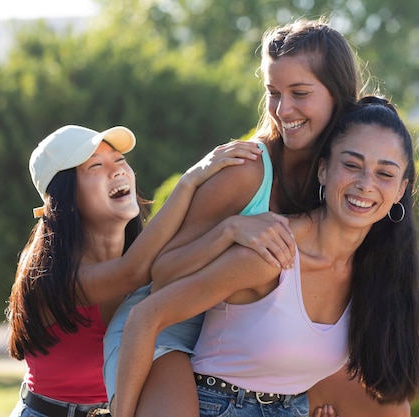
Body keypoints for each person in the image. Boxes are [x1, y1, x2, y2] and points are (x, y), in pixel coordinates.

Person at [102, 17, 362, 416]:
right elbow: (164, 276)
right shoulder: (246, 170)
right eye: (273, 92)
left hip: (237, 343)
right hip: (163, 328)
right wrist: (230, 230)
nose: (283, 108)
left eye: (299, 92)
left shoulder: (346, 178)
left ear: (338, 96)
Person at [113, 97, 419, 417]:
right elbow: (146, 315)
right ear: (323, 170)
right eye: (351, 165)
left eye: (384, 174)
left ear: (401, 190)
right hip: (219, 405)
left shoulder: (376, 273)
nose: (365, 185)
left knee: (392, 410)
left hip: (292, 407)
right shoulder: (273, 250)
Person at [6, 124, 292, 417]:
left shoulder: (152, 257)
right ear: (63, 197)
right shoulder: (46, 272)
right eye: (96, 166)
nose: (117, 171)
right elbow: (132, 273)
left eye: (119, 160)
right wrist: (190, 181)